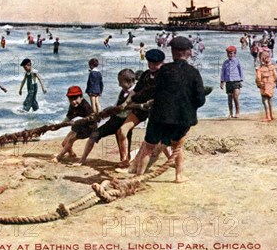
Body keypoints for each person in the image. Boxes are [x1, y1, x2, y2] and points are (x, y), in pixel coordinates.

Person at [135, 36, 206, 183]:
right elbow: (200, 99)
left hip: (159, 116)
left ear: (172, 52)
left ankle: (138, 177)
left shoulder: (163, 70)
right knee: (176, 147)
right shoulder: (194, 72)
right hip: (182, 118)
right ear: (189, 52)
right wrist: (188, 108)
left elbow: (154, 91)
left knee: (148, 146)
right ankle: (179, 175)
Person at [114, 49, 167, 171]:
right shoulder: (145, 74)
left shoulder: (166, 76)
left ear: (162, 62)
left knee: (158, 139)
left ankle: (172, 159)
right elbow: (135, 91)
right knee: (122, 131)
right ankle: (125, 160)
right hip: (140, 107)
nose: (152, 66)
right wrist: (126, 103)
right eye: (150, 63)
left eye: (155, 63)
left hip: (157, 110)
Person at [76, 69, 136, 166]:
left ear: (129, 81)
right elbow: (116, 105)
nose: (119, 85)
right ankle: (82, 160)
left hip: (126, 122)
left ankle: (125, 161)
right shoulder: (123, 91)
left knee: (124, 146)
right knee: (94, 135)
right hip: (114, 120)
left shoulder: (136, 92)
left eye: (121, 82)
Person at [52, 86, 96, 162]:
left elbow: (93, 119)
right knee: (64, 143)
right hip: (78, 126)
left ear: (81, 97)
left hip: (89, 127)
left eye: (75, 99)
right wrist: (59, 126)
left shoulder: (85, 106)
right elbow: (68, 118)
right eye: (71, 100)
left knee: (71, 139)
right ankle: (72, 154)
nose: (73, 102)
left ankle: (59, 157)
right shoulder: (72, 106)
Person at [220, 45, 244, 118]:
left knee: (236, 96)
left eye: (232, 53)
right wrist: (222, 82)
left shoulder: (237, 61)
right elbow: (223, 72)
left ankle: (237, 112)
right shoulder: (225, 63)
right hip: (228, 82)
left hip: (236, 80)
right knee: (229, 98)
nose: (230, 54)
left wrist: (241, 79)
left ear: (235, 54)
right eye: (228, 53)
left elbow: (241, 70)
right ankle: (230, 113)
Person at [255, 51, 277, 121]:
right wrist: (274, 83)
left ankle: (267, 116)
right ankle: (271, 115)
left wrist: (258, 84)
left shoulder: (259, 69)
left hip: (264, 85)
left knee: (264, 100)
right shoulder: (272, 67)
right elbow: (276, 77)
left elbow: (258, 78)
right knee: (270, 100)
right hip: (270, 84)